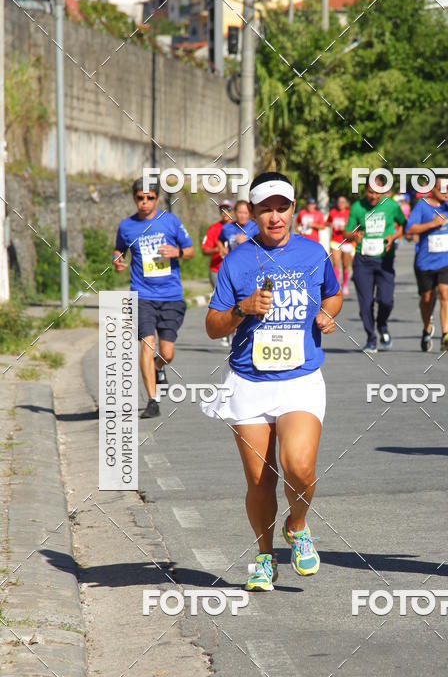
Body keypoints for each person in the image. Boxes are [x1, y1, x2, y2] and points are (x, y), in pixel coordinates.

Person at [202, 172, 342, 592]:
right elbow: (212, 326)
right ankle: (264, 555)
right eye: (266, 209)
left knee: (299, 467)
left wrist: (328, 313)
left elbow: (333, 293)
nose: (275, 216)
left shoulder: (314, 253)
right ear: (254, 213)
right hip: (249, 382)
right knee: (260, 481)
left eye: (282, 208)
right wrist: (242, 309)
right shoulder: (238, 261)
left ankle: (297, 526)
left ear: (293, 210)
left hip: (300, 379)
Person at [114, 177, 194, 419]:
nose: (145, 202)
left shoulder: (170, 222)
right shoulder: (126, 226)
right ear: (134, 198)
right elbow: (119, 249)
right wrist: (118, 259)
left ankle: (160, 367)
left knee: (167, 353)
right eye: (140, 198)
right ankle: (152, 400)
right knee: (147, 345)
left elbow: (190, 250)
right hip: (142, 295)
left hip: (170, 296)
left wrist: (177, 252)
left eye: (150, 198)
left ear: (157, 199)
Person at [405, 177, 448, 352]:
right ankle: (427, 329)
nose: (444, 191)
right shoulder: (422, 206)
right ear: (431, 189)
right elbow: (409, 230)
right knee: (427, 299)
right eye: (440, 188)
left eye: (447, 188)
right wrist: (431, 224)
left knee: (444, 293)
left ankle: (445, 334)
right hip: (425, 261)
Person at [343, 181, 406, 353]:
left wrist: (393, 237)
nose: (374, 196)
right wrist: (354, 235)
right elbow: (346, 233)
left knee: (386, 300)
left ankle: (382, 324)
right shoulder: (357, 207)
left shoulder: (391, 206)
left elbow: (404, 226)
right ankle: (371, 338)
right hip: (363, 261)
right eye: (370, 192)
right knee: (366, 303)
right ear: (365, 191)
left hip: (385, 260)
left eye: (377, 192)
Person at [201, 199, 234, 290]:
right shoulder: (213, 228)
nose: (226, 212)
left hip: (235, 270)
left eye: (229, 210)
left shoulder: (239, 227)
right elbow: (204, 250)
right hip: (217, 271)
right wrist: (218, 249)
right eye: (222, 210)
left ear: (233, 212)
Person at [326, 195, 351, 296]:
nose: (340, 204)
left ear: (346, 204)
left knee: (345, 264)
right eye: (339, 202)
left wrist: (344, 228)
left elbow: (354, 226)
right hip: (335, 240)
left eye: (342, 202)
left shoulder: (349, 213)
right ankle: (336, 286)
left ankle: (344, 284)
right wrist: (331, 225)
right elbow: (327, 222)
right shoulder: (333, 212)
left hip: (346, 241)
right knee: (336, 263)